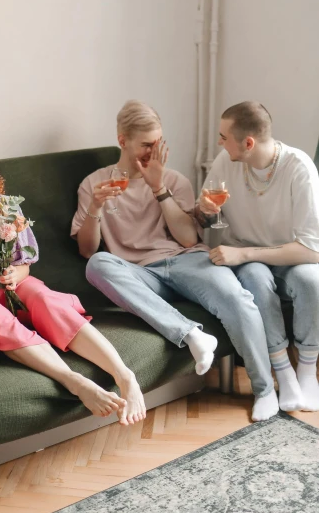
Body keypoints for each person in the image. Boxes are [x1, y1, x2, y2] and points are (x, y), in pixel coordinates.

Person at [0, 135, 145, 426]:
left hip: (9, 286)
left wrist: (14, 274)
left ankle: (125, 375)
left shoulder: (1, 207)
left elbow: (26, 265)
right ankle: (73, 381)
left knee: (42, 297)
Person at [72, 99, 280, 422]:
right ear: (122, 140)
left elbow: (187, 238)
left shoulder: (175, 181)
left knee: (237, 299)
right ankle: (191, 334)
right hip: (141, 276)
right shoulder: (94, 184)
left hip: (186, 261)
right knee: (97, 265)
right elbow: (88, 250)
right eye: (145, 145)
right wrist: (95, 208)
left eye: (158, 144)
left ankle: (265, 390)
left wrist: (159, 188)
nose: (153, 153)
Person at [197, 101, 319, 411]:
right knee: (254, 278)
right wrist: (207, 212)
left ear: (247, 143)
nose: (219, 143)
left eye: (224, 136)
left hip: (291, 256)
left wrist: (244, 252)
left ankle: (307, 372)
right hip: (248, 260)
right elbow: (206, 214)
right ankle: (283, 372)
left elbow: (312, 250)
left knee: (311, 282)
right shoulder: (227, 161)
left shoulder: (298, 167)